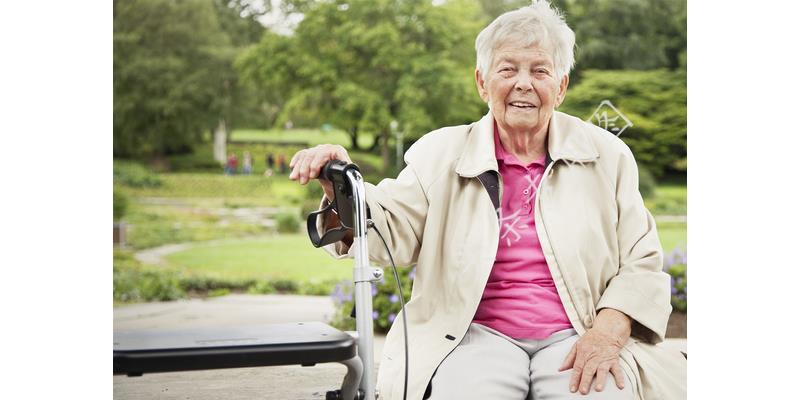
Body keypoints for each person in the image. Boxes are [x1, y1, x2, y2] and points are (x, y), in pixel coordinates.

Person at [289, 2, 686, 399]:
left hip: (579, 332)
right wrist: (341, 186)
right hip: (471, 335)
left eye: (540, 71)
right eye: (508, 69)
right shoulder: (440, 153)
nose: (524, 84)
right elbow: (390, 231)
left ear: (561, 87)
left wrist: (607, 331)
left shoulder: (607, 156)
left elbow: (642, 263)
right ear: (482, 82)